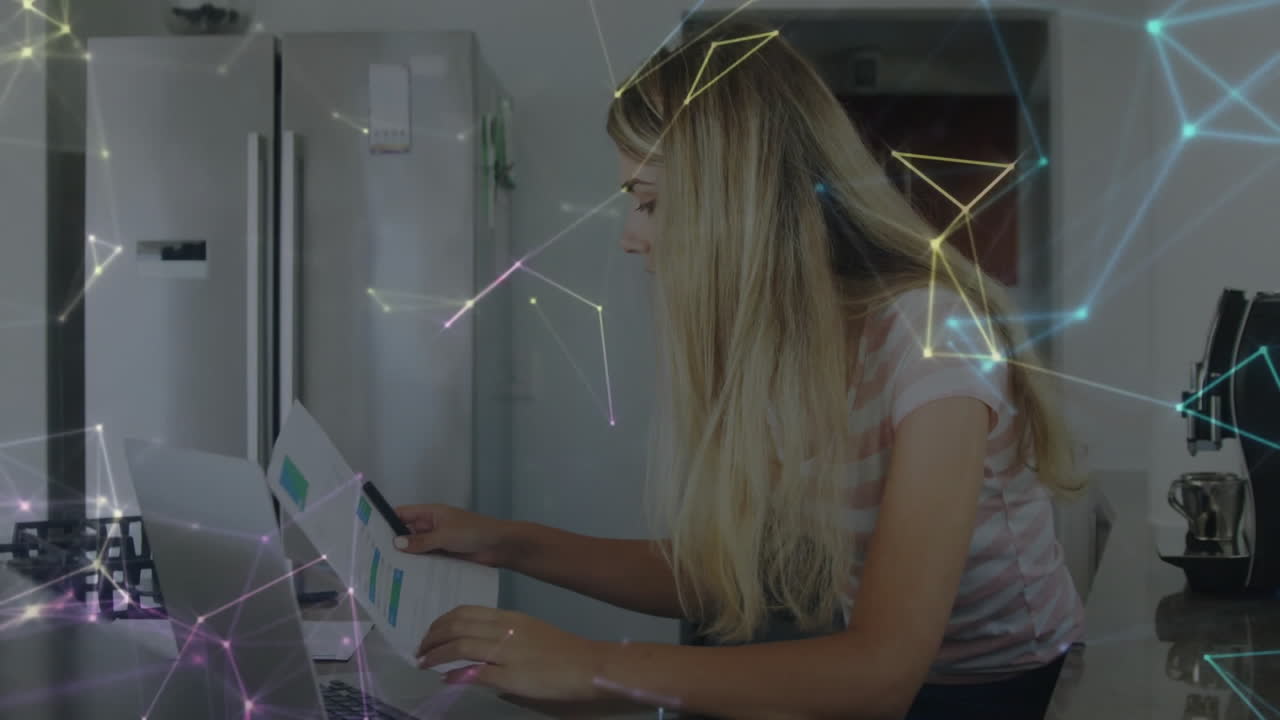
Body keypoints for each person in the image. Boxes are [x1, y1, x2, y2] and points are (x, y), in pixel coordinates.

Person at [392, 20, 1085, 720]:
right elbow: (731, 575)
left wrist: (594, 667)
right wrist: (505, 542)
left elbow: (881, 674)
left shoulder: (933, 335)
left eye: (650, 201)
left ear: (740, 201)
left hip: (1003, 690)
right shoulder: (789, 349)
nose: (633, 237)